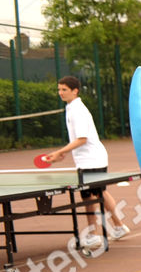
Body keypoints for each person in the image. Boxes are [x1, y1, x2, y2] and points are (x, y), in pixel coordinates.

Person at [45, 76, 125, 251]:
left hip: (91, 160)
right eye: (59, 89)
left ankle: (92, 235)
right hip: (91, 158)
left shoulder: (77, 110)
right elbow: (78, 140)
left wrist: (60, 151)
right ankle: (118, 227)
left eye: (64, 89)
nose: (60, 93)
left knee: (88, 197)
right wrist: (64, 153)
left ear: (75, 91)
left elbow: (82, 139)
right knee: (100, 193)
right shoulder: (72, 108)